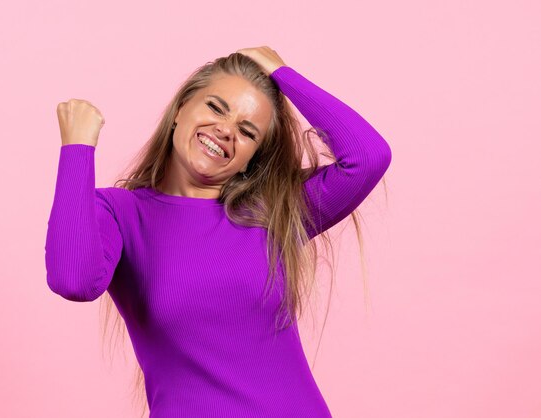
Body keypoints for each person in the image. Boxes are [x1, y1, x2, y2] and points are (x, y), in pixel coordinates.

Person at [45, 46, 392, 418]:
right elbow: (73, 280)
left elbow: (367, 157)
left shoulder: (272, 213)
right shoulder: (120, 213)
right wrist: (77, 150)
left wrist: (282, 73)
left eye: (247, 131)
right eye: (215, 107)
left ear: (250, 159)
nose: (225, 131)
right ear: (180, 109)